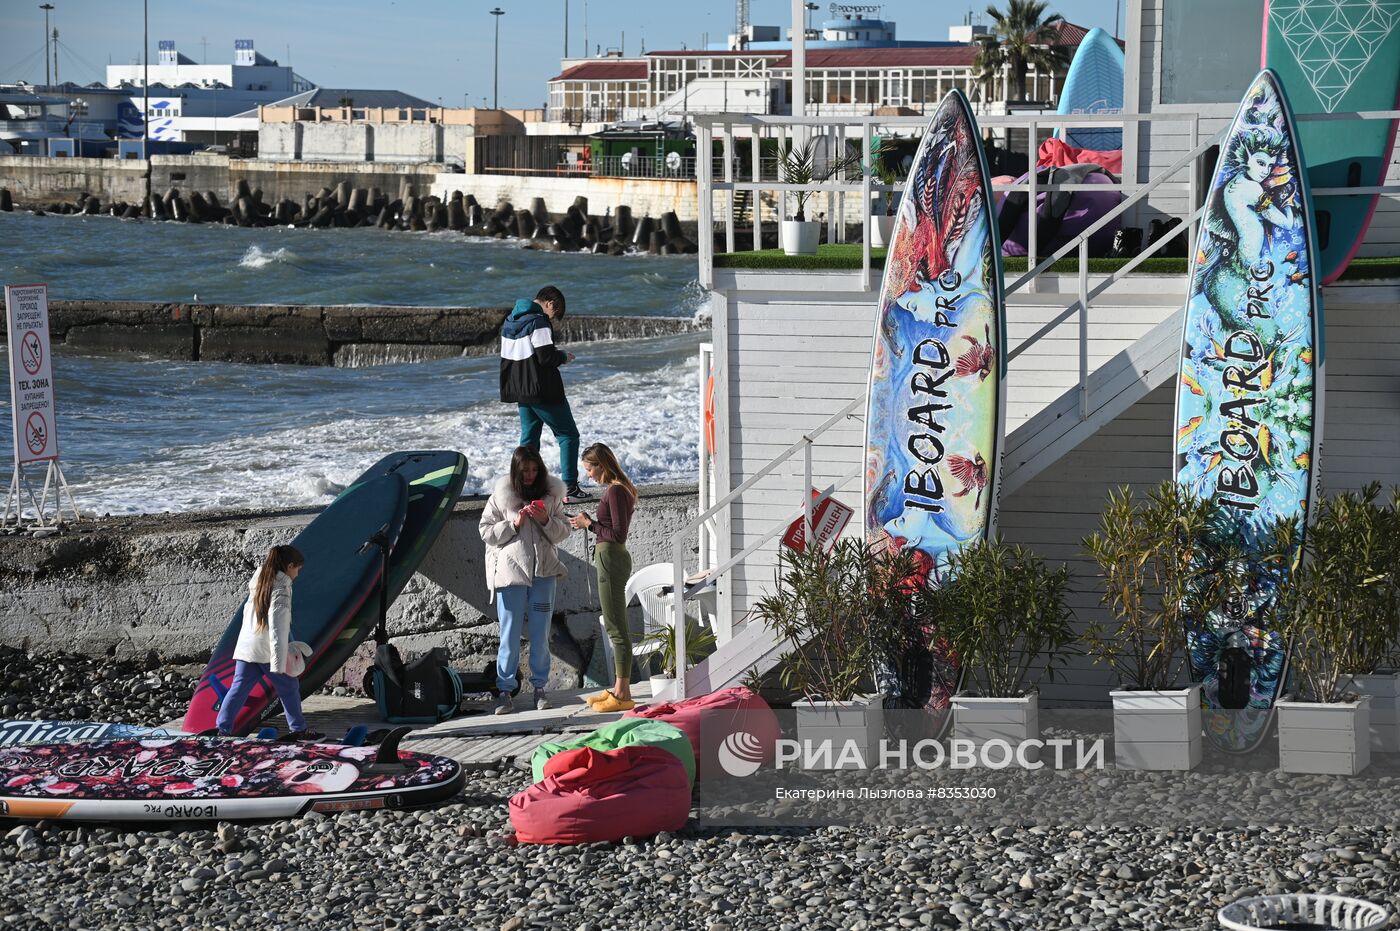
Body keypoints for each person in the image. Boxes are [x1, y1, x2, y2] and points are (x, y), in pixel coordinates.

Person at [480, 445, 572, 714]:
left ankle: (540, 689)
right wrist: (513, 525)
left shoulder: (552, 496)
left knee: (540, 634)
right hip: (510, 576)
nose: (530, 475)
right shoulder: (501, 496)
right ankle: (504, 691)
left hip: (543, 574)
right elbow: (485, 531)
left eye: (534, 470)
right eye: (525, 471)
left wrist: (545, 520)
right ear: (516, 471)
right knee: (508, 634)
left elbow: (563, 532)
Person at [217, 544, 322, 740]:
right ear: (289, 566)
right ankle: (298, 730)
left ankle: (222, 730)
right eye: (297, 569)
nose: (297, 575)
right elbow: (278, 629)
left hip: (247, 647)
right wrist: (279, 662)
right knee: (289, 688)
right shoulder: (281, 589)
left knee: (238, 688)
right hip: (267, 650)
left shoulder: (259, 582)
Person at [499, 285, 590, 502]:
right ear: (550, 303)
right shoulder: (538, 322)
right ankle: (569, 488)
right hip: (542, 391)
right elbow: (545, 357)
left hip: (521, 392)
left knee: (529, 443)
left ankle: (524, 489)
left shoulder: (510, 321)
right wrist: (563, 356)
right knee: (568, 435)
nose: (554, 316)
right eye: (555, 312)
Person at [570, 443, 639, 712]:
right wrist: (586, 524)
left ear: (601, 465)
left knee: (616, 627)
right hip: (608, 557)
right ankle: (620, 688)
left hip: (612, 558)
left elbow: (619, 534)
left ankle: (623, 693)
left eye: (589, 469)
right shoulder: (615, 490)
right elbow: (609, 529)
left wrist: (590, 525)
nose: (588, 475)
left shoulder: (616, 491)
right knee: (613, 625)